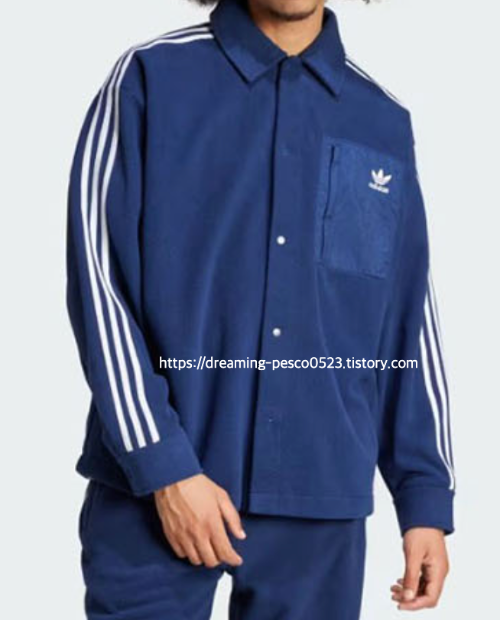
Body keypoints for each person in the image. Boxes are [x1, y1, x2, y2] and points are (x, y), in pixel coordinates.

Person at [67, 0, 455, 618]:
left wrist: (425, 496)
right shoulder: (150, 77)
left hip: (319, 511)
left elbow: (407, 322)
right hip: (155, 500)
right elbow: (98, 281)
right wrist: (163, 467)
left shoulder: (381, 120)